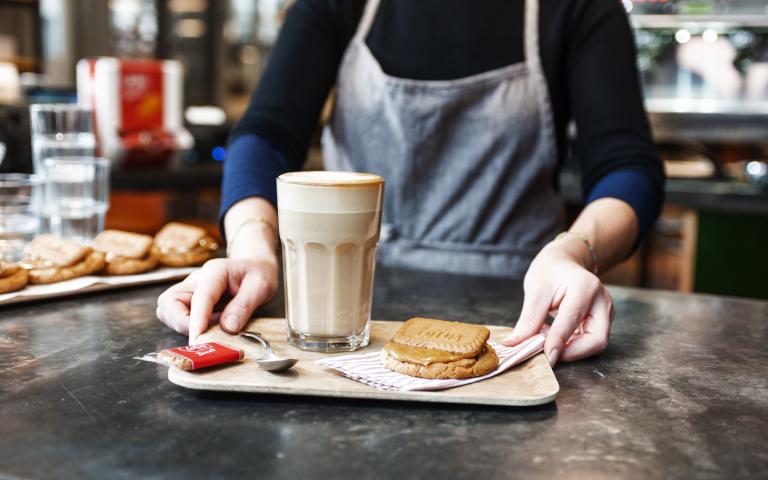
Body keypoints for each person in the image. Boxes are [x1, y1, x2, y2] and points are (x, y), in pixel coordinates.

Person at [156, 0, 664, 366]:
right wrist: (252, 244)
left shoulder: (579, 10)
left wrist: (576, 251)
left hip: (523, 317)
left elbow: (627, 165)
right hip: (339, 316)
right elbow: (266, 133)